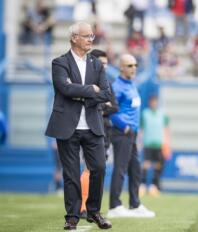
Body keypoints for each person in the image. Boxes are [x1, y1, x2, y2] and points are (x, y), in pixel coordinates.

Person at [45, 22, 112, 230]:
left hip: (92, 126)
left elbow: (106, 93)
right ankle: (72, 216)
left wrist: (81, 93)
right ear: (74, 38)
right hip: (67, 126)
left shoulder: (96, 64)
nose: (91, 39)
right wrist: (91, 90)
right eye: (86, 36)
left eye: (92, 36)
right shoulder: (59, 62)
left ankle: (93, 212)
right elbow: (64, 88)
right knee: (71, 173)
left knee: (99, 168)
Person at [107, 54, 155, 218]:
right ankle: (114, 206)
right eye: (129, 65)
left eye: (135, 65)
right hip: (122, 133)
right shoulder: (117, 87)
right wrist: (125, 127)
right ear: (121, 67)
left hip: (132, 134)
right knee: (120, 168)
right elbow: (111, 111)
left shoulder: (132, 85)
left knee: (135, 168)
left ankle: (135, 204)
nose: (133, 68)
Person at [80, 49, 118, 218]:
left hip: (105, 131)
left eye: (106, 65)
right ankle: (82, 206)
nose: (104, 67)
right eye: (101, 64)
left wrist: (100, 105)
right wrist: (102, 104)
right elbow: (87, 105)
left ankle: (91, 208)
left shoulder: (108, 84)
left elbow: (114, 106)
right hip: (90, 129)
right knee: (90, 168)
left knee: (98, 170)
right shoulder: (84, 82)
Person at [139, 95, 170, 197]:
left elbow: (166, 129)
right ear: (149, 103)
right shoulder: (145, 114)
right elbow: (141, 129)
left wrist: (167, 143)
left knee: (158, 165)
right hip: (147, 143)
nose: (154, 103)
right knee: (146, 164)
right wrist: (140, 142)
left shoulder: (162, 115)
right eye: (152, 102)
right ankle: (142, 186)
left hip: (159, 144)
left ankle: (153, 186)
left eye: (155, 102)